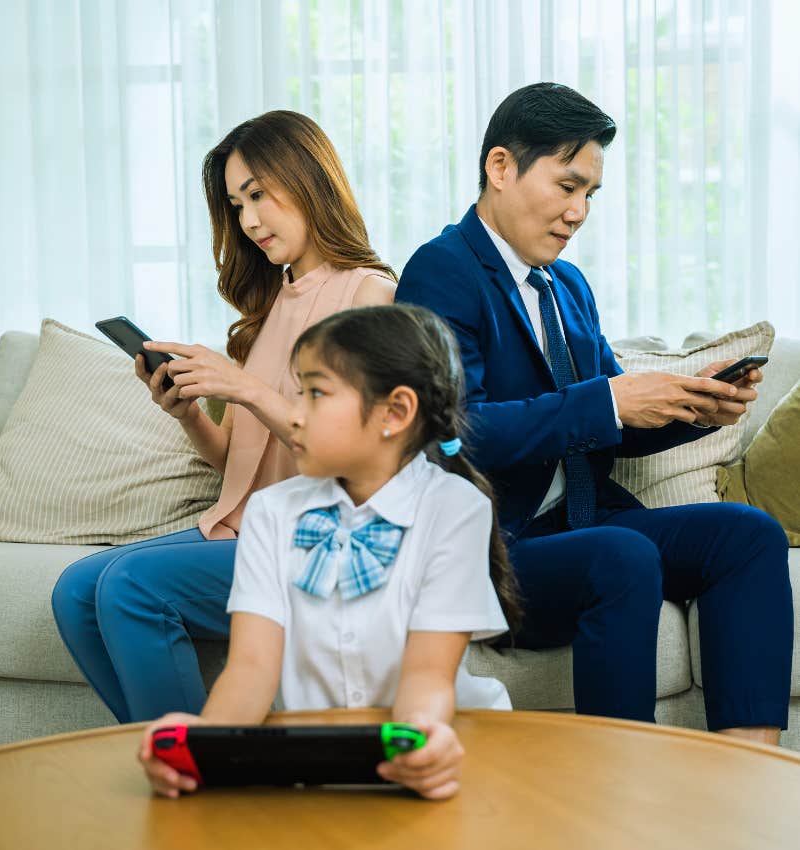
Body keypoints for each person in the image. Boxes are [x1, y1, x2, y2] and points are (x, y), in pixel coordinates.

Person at [396, 82, 792, 744]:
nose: (579, 211)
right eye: (568, 186)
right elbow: (455, 435)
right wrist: (610, 400)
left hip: (587, 524)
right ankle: (615, 791)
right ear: (501, 168)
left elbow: (609, 422)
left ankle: (743, 773)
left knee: (748, 535)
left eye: (591, 196)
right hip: (496, 549)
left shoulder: (567, 286)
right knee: (622, 555)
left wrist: (693, 408)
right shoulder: (441, 273)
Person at [51, 110, 397, 723]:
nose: (250, 221)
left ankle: (201, 773)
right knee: (75, 591)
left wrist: (243, 386)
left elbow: (361, 452)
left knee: (131, 586)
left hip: (318, 539)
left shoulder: (369, 294)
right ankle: (169, 756)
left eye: (259, 195)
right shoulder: (267, 309)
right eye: (237, 205)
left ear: (310, 178)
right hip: (241, 527)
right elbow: (239, 464)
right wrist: (188, 413)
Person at [137, 304, 522, 800]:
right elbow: (252, 668)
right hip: (311, 770)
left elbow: (428, 674)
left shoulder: (455, 509)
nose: (293, 415)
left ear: (395, 413)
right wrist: (204, 749)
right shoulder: (271, 511)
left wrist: (416, 748)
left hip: (439, 752)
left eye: (315, 394)